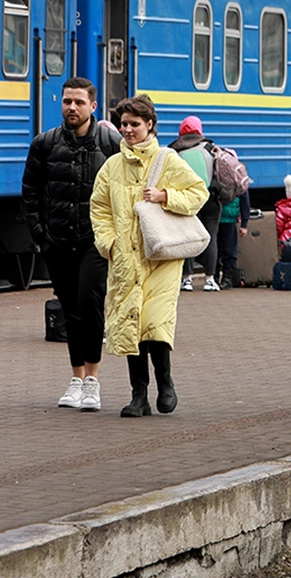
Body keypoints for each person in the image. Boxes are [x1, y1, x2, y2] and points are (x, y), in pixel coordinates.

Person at [90, 94, 209, 418]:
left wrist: (165, 196)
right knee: (132, 324)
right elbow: (99, 208)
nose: (127, 130)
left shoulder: (167, 160)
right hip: (126, 258)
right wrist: (109, 243)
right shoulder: (112, 166)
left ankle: (166, 383)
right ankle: (138, 395)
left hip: (160, 258)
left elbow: (199, 191)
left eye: (134, 124)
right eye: (124, 124)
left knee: (154, 323)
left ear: (150, 125)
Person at [22, 76, 121, 411]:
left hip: (97, 240)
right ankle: (76, 378)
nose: (72, 108)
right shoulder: (45, 144)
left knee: (90, 300)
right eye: (67, 102)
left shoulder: (110, 142)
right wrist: (40, 235)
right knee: (70, 310)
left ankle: (92, 379)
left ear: (93, 106)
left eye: (79, 102)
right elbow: (31, 191)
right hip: (59, 241)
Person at [169, 116, 221, 291]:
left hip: (188, 199)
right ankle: (210, 279)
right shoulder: (210, 147)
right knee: (211, 238)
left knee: (189, 238)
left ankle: (187, 278)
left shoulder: (175, 149)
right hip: (211, 198)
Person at [216, 188, 250, 289]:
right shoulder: (238, 176)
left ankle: (213, 278)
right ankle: (227, 279)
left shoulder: (214, 173)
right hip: (229, 217)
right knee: (229, 250)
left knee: (215, 249)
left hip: (215, 216)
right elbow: (245, 200)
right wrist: (244, 224)